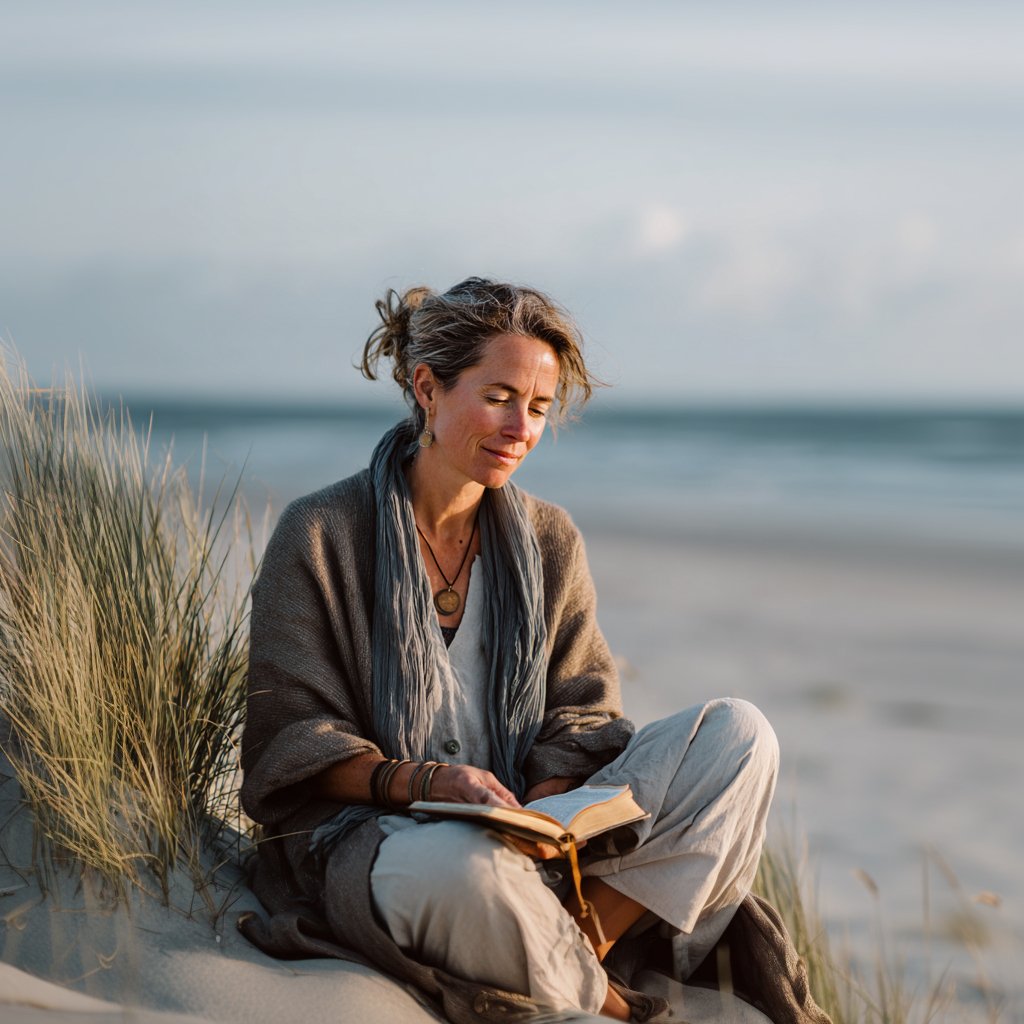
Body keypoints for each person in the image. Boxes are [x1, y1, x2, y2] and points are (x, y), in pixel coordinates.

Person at [239, 278, 824, 1024]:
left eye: (540, 408)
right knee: (464, 871)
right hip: (387, 837)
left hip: (532, 838)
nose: (521, 427)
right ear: (428, 388)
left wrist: (546, 811)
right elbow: (290, 738)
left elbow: (584, 711)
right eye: (499, 397)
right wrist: (427, 782)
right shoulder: (321, 533)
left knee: (741, 735)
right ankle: (605, 999)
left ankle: (579, 937)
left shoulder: (549, 539)